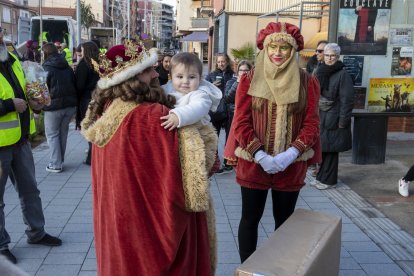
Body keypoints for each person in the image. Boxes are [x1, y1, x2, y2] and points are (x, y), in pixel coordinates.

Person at [80, 40, 216, 275]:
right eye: (149, 69)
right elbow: (186, 175)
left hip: (119, 223)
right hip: (148, 233)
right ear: (133, 76)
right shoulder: (152, 116)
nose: (156, 72)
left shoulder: (107, 108)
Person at [223, 22, 321, 262]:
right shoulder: (249, 79)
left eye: (284, 48)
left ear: (293, 51)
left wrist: (290, 154)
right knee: (250, 218)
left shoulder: (308, 82)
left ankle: (280, 267)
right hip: (253, 163)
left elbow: (312, 124)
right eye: (273, 47)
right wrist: (259, 155)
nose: (278, 52)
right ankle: (247, 268)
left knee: (285, 222)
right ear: (265, 49)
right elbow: (241, 121)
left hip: (291, 165)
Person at [0, 27, 62, 264]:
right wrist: (7, 106)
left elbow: (25, 90)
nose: (2, 36)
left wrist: (36, 102)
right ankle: (1, 246)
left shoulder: (11, 57)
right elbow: (11, 101)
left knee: (30, 191)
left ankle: (36, 233)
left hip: (21, 140)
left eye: (1, 31)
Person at [311, 43, 354, 190]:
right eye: (327, 55)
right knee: (324, 149)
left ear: (338, 56)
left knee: (331, 151)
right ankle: (321, 177)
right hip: (322, 117)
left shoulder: (343, 74)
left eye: (333, 55)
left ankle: (329, 181)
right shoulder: (320, 70)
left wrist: (343, 122)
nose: (329, 58)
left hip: (334, 119)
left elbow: (347, 101)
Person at [161, 52, 222, 130]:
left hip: (196, 132)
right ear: (171, 77)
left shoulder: (201, 94)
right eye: (180, 77)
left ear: (200, 78)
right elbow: (158, 93)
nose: (185, 81)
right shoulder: (167, 87)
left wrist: (178, 116)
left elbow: (197, 108)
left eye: (192, 77)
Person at [41, 42, 77, 172]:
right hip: (69, 105)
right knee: (62, 133)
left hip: (53, 107)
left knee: (52, 134)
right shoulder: (66, 66)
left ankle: (56, 164)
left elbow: (43, 89)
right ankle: (59, 160)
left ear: (45, 53)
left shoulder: (46, 67)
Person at [221, 60, 252, 174]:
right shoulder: (231, 82)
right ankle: (229, 162)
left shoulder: (254, 83)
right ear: (237, 71)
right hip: (233, 116)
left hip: (249, 117)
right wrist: (238, 83)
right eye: (241, 70)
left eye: (246, 70)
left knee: (246, 140)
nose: (243, 72)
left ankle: (246, 162)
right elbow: (228, 98)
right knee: (231, 140)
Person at [206, 53, 235, 173]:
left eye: (223, 61)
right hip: (216, 111)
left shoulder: (232, 75)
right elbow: (204, 91)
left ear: (227, 62)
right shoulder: (211, 75)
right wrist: (212, 86)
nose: (221, 64)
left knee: (229, 138)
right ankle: (215, 163)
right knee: (214, 137)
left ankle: (228, 163)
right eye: (219, 62)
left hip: (229, 111)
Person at [75, 41, 100, 165]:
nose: (81, 52)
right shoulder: (100, 63)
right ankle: (95, 155)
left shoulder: (84, 65)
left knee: (89, 127)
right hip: (99, 98)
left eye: (83, 49)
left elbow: (79, 85)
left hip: (86, 99)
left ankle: (92, 157)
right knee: (96, 126)